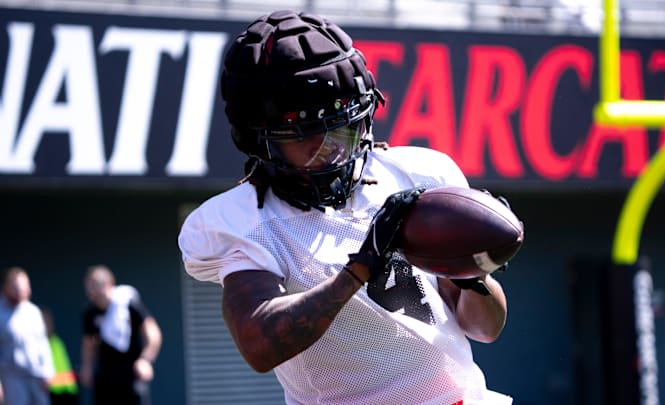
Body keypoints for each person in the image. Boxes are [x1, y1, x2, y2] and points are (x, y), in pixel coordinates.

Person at [178, 10, 515, 404]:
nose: (333, 150)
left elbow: (484, 330)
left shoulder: (415, 174)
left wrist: (472, 274)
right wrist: (359, 269)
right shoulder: (247, 221)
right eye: (306, 137)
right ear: (259, 138)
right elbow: (261, 345)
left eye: (344, 127)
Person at [79, 265, 162, 405]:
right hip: (106, 378)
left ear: (110, 282)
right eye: (89, 285)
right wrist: (86, 367)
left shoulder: (128, 305)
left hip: (132, 375)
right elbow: (89, 342)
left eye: (96, 284)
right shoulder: (90, 313)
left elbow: (153, 332)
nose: (92, 290)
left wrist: (146, 360)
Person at [0, 267, 54, 405]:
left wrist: (48, 371)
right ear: (5, 287)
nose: (20, 291)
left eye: (24, 287)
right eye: (16, 287)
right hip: (11, 377)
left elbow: (43, 343)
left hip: (37, 375)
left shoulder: (33, 311)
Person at [41, 308, 79, 405]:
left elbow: (65, 372)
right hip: (49, 393)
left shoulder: (56, 342)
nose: (45, 326)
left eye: (47, 322)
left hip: (66, 393)